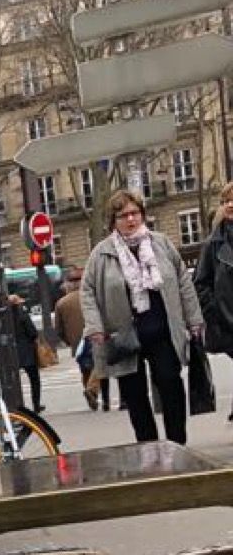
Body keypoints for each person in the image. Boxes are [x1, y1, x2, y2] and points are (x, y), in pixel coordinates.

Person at [82, 189, 205, 445]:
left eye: (135, 213)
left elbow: (183, 281)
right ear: (113, 221)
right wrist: (94, 326)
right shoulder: (102, 253)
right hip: (125, 337)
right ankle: (147, 448)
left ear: (142, 214)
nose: (130, 219)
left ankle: (176, 443)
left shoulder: (160, 243)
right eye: (123, 215)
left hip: (161, 331)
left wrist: (194, 319)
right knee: (135, 397)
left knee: (170, 384)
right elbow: (88, 291)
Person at [194, 181, 233, 421]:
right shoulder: (213, 243)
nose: (230, 205)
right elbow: (201, 283)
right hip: (229, 321)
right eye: (226, 201)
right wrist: (216, 312)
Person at [55, 268, 103, 412]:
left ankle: (91, 395)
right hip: (94, 336)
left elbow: (58, 329)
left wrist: (69, 341)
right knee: (98, 366)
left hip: (77, 343)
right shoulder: (91, 297)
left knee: (85, 370)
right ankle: (92, 390)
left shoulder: (61, 303)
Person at [7, 295, 44, 413]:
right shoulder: (22, 315)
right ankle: (36, 405)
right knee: (34, 379)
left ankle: (15, 405)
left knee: (12, 382)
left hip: (11, 353)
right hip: (26, 351)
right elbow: (32, 332)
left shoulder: (5, 318)